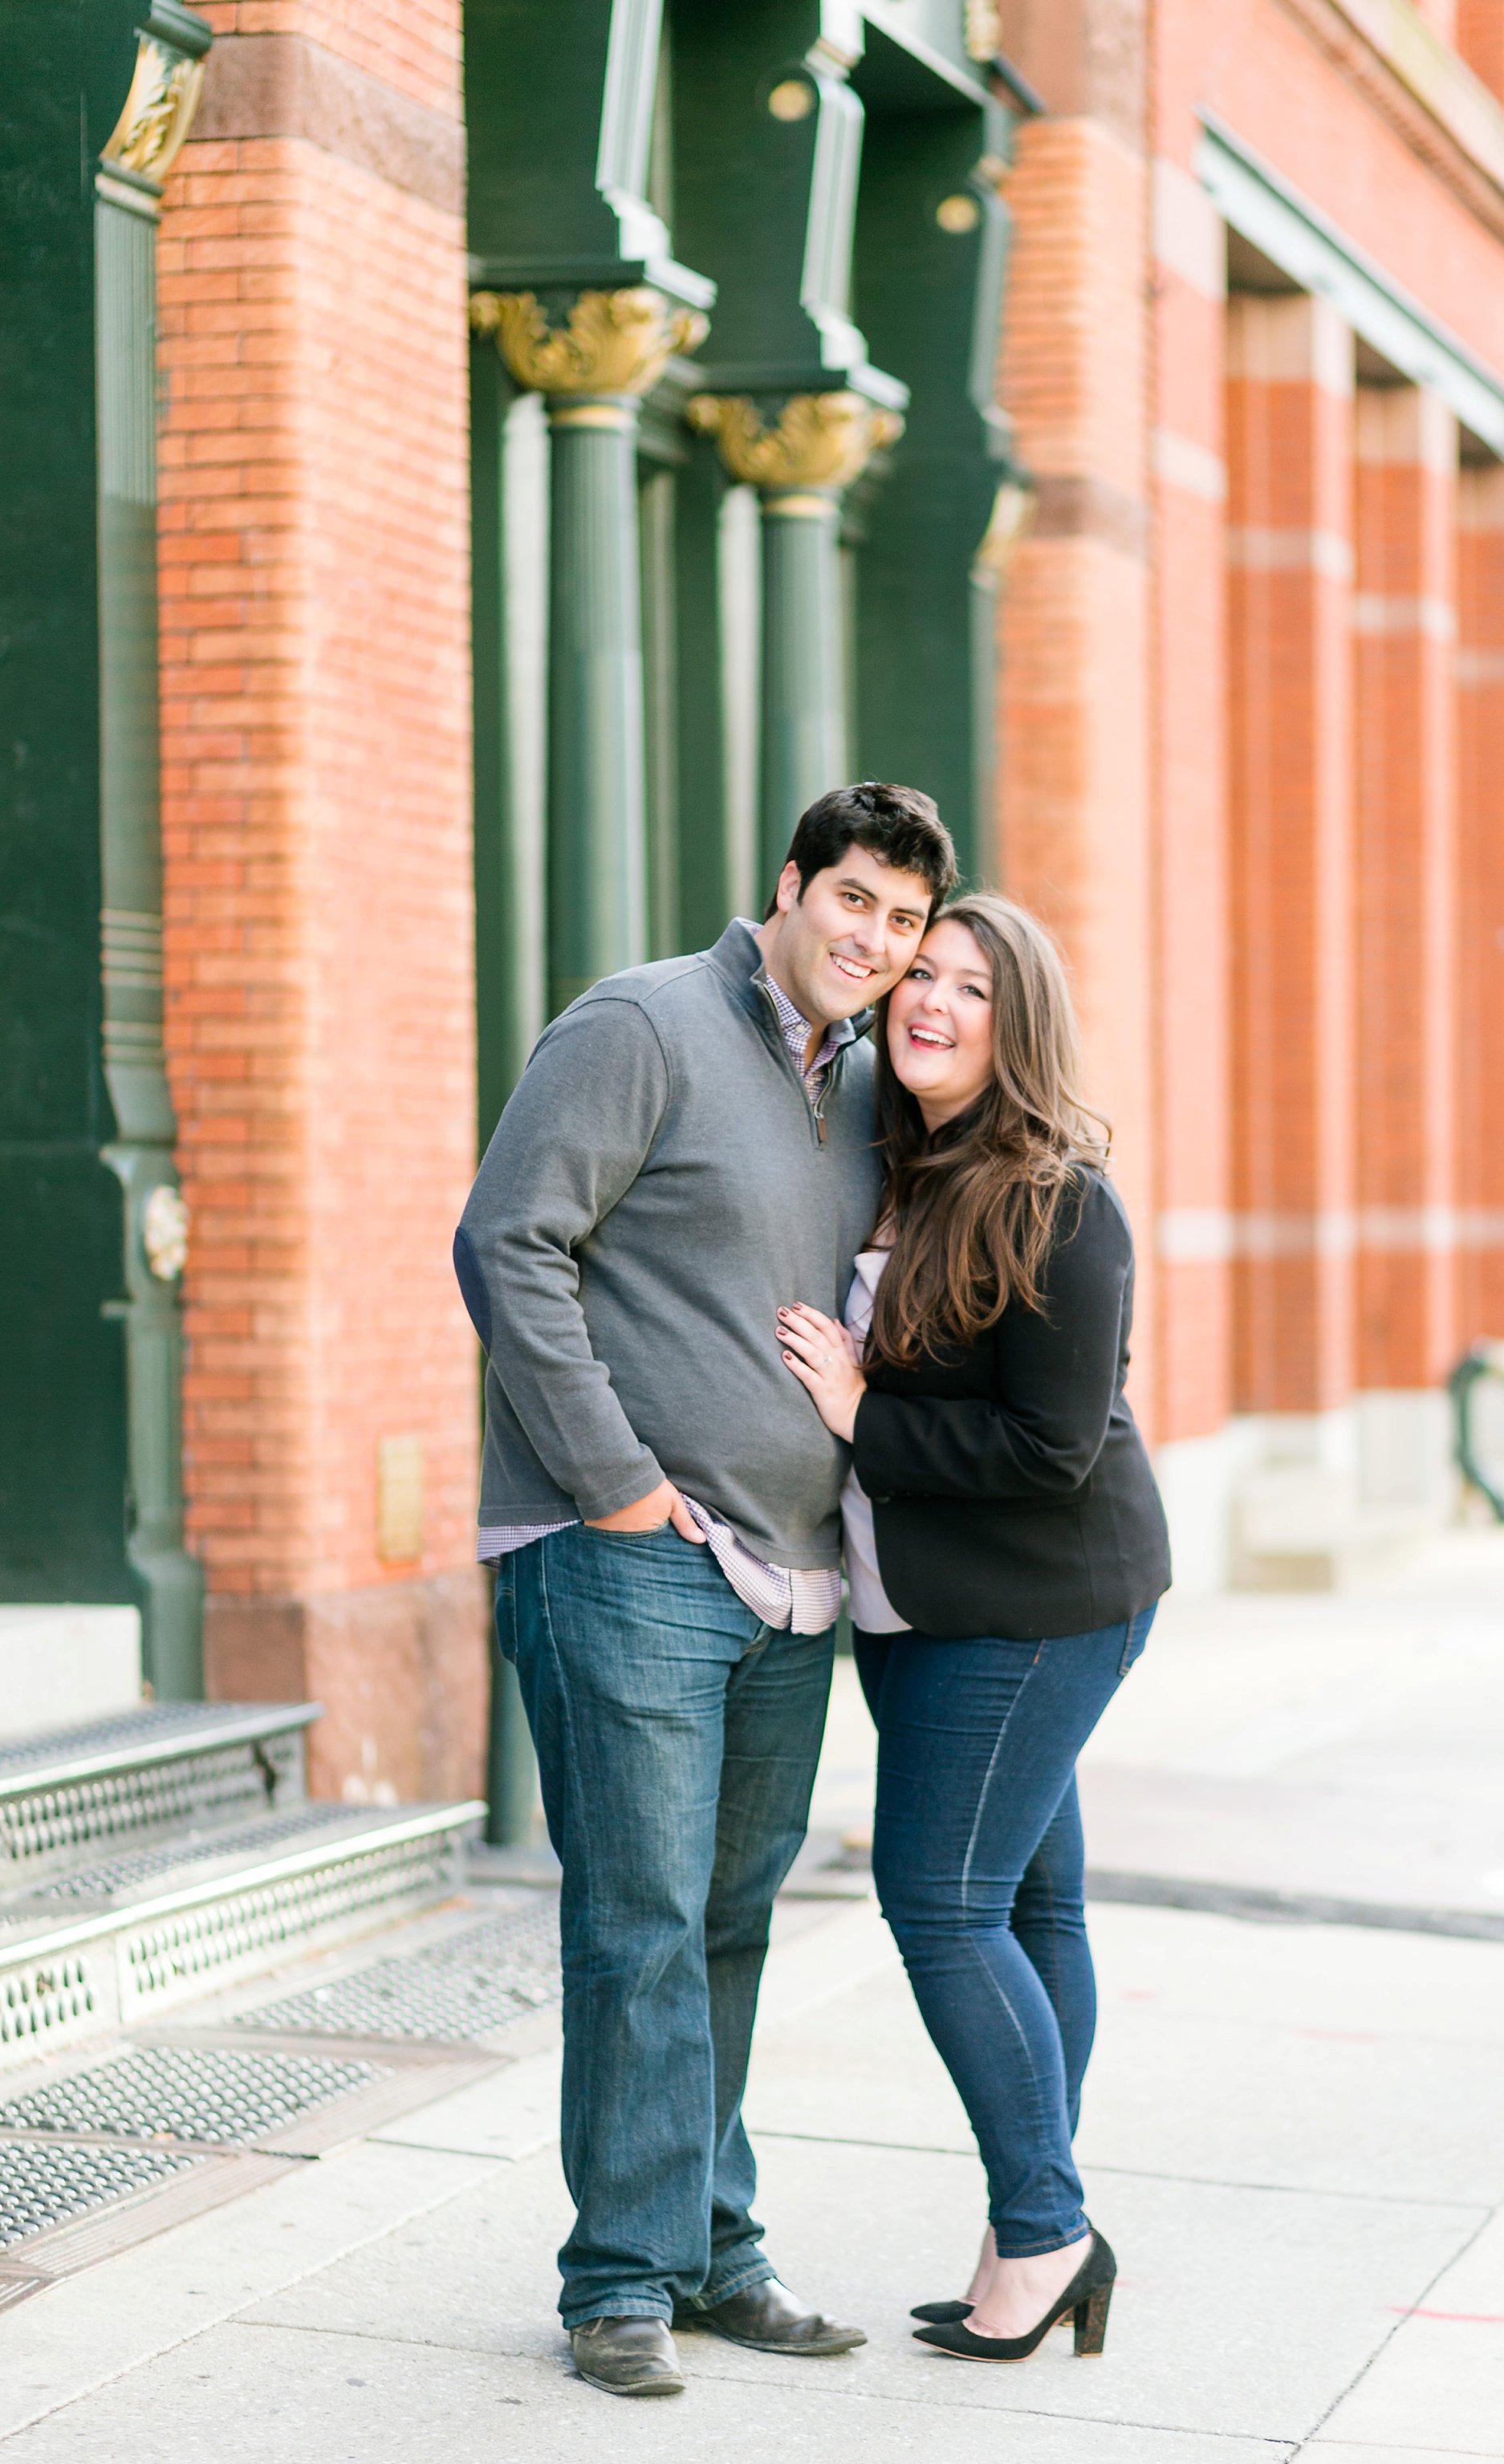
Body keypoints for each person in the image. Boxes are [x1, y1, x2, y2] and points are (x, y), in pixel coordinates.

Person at [454, 784, 957, 2399]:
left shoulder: (874, 1084)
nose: (873, 943)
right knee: (642, 1920)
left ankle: (713, 2243)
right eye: (855, 901)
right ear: (791, 883)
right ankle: (619, 2276)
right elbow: (507, 1242)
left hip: (792, 1576)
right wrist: (607, 1481)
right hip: (629, 1561)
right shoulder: (641, 1024)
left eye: (900, 922)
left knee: (731, 1919)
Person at [778, 892, 1171, 2368]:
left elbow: (1051, 1450)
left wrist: (863, 1412)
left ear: (1023, 1029)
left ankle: (1048, 2226)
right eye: (919, 975)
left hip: (1042, 1605)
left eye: (971, 988)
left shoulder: (1062, 1200)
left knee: (940, 1900)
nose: (930, 1001)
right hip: (926, 1606)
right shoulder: (898, 1158)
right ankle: (1034, 2230)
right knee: (1026, 1905)